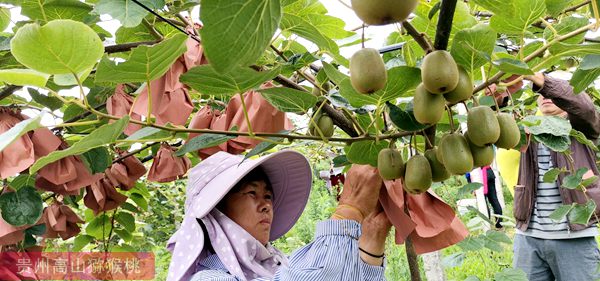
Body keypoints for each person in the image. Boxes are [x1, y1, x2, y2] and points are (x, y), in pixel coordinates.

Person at [166, 150, 392, 281]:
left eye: (268, 196)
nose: (266, 205)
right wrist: (348, 210)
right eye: (252, 192)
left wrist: (373, 233)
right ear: (217, 212)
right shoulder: (209, 279)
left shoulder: (276, 266)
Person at [512, 73, 600, 280]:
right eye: (540, 93)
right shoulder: (528, 127)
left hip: (574, 235)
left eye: (551, 90)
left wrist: (542, 81)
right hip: (528, 236)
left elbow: (585, 108)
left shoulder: (582, 126)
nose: (545, 95)